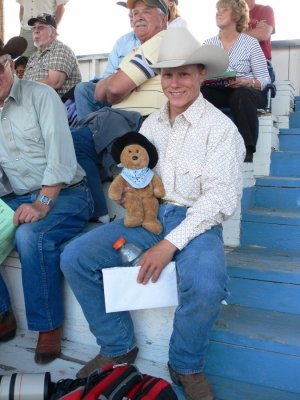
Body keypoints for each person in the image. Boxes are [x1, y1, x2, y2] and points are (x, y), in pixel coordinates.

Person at [61, 27, 245, 400]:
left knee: (208, 282)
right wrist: (130, 191)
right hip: (150, 217)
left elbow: (218, 201)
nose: (174, 83)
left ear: (201, 75)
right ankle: (117, 345)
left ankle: (185, 363)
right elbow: (143, 175)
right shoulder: (151, 124)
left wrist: (168, 246)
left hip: (197, 222)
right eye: (167, 74)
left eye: (184, 73)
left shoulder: (222, 130)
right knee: (75, 256)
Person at [0, 37, 93, 363]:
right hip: (17, 194)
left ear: (9, 64)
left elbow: (61, 158)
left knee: (31, 235)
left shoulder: (42, 96)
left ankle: (48, 326)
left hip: (67, 193)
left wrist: (42, 202)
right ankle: (2, 314)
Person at [71, 0, 168, 224]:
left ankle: (119, 175)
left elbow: (113, 89)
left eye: (146, 11)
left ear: (164, 19)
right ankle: (101, 211)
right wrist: (116, 85)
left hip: (139, 120)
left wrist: (115, 86)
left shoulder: (162, 41)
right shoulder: (136, 49)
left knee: (83, 133)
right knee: (73, 135)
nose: (138, 17)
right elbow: (103, 90)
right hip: (119, 117)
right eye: (134, 14)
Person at [201, 0, 270, 163]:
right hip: (219, 89)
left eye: (223, 10)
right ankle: (202, 146)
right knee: (200, 94)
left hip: (247, 91)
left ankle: (247, 149)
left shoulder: (250, 44)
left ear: (237, 15)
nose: (218, 13)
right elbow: (200, 74)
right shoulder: (208, 44)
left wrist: (245, 82)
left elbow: (265, 79)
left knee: (240, 94)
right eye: (217, 10)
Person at [74, 2, 141, 118]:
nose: (130, 15)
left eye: (135, 11)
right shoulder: (122, 42)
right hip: (115, 91)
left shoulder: (159, 40)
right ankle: (88, 130)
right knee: (82, 89)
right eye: (130, 11)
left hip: (136, 91)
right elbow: (108, 77)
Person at [23, 13, 81, 100]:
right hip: (35, 104)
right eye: (34, 28)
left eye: (41, 27)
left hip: (58, 106)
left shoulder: (61, 49)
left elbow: (54, 83)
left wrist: (23, 88)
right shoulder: (33, 57)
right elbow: (24, 83)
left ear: (53, 32)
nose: (36, 31)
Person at [245, 0, 275, 81]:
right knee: (209, 84)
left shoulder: (266, 10)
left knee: (241, 90)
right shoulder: (231, 16)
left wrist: (236, 34)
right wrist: (255, 30)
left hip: (261, 66)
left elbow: (263, 35)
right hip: (237, 67)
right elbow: (224, 38)